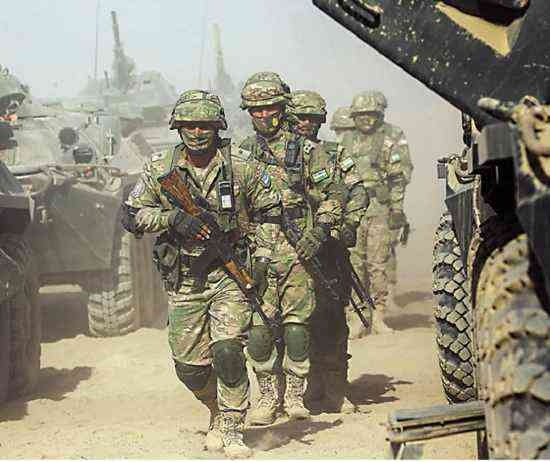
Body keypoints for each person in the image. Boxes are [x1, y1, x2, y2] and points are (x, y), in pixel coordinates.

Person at [121, 90, 281, 458]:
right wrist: (172, 219)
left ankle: (233, 425)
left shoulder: (241, 165)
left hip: (230, 274)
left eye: (205, 126)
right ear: (178, 128)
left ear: (218, 126)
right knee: (189, 368)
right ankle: (214, 409)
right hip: (184, 278)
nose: (196, 133)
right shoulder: (160, 168)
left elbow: (271, 211)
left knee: (227, 350)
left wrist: (261, 260)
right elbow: (130, 216)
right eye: (189, 126)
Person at [238, 73, 344, 425]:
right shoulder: (241, 153)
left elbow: (334, 194)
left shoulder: (307, 151)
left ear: (282, 108)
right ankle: (267, 396)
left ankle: (296, 396)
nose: (263, 115)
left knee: (297, 326)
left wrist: (321, 229)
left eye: (270, 108)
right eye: (256, 110)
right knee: (259, 329)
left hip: (297, 251)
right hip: (256, 250)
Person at [287, 90, 368, 413]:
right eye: (300, 118)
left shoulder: (334, 154)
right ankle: (301, 390)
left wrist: (349, 224)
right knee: (292, 323)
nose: (306, 124)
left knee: (331, 320)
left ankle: (335, 389)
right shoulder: (274, 155)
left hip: (328, 250)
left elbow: (357, 191)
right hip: (287, 251)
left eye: (313, 118)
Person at [342, 90, 409, 336]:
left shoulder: (389, 140)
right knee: (354, 264)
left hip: (379, 210)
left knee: (377, 265)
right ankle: (357, 316)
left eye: (371, 114)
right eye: (361, 115)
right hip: (353, 211)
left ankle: (379, 314)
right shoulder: (345, 142)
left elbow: (397, 178)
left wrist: (397, 209)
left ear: (379, 115)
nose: (366, 119)